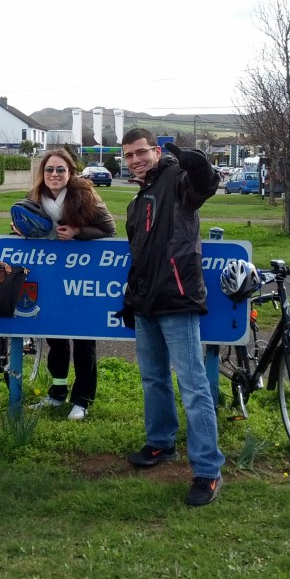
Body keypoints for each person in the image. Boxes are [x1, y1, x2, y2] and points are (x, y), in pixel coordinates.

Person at [119, 129, 225, 507]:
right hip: (145, 303)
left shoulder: (176, 179)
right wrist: (132, 300)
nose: (135, 160)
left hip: (178, 300)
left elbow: (202, 186)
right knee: (153, 379)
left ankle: (208, 471)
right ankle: (161, 443)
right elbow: (140, 257)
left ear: (156, 151)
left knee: (194, 387)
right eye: (129, 155)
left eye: (141, 152)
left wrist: (199, 166)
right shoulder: (137, 200)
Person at [11, 149, 116, 421]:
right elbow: (31, 230)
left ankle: (82, 399)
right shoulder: (33, 199)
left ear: (70, 173)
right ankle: (57, 394)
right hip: (50, 276)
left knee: (83, 339)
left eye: (60, 170)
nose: (54, 175)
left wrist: (78, 232)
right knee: (55, 337)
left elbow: (110, 230)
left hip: (83, 277)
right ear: (42, 173)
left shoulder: (85, 195)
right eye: (49, 170)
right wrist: (19, 231)